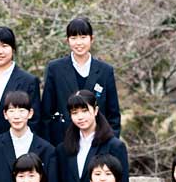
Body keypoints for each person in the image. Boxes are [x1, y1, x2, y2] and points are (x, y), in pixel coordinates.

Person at [40, 17, 121, 145]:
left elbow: (113, 115)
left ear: (91, 39)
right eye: (73, 38)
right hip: (63, 141)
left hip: (98, 142)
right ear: (67, 41)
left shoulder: (105, 71)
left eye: (83, 37)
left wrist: (110, 144)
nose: (79, 43)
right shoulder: (55, 69)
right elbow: (46, 113)